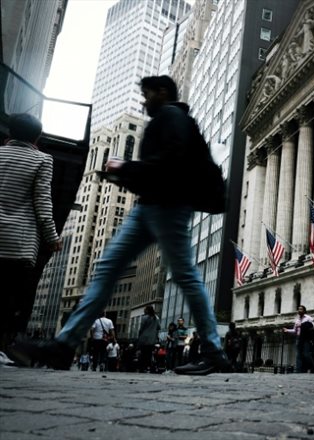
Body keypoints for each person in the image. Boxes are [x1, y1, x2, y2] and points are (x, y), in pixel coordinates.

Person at [10, 75, 230, 376]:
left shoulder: (173, 116)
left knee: (185, 276)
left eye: (148, 93)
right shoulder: (169, 119)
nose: (144, 100)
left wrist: (126, 168)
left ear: (163, 92)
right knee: (108, 268)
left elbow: (172, 163)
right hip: (149, 206)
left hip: (168, 206)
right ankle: (64, 346)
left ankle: (213, 351)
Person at [0, 113, 62, 353]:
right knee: (10, 297)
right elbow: (43, 203)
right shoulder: (42, 160)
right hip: (18, 242)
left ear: (9, 134)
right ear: (37, 137)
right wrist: (52, 237)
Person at [283, 305, 314, 373]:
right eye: (298, 309)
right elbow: (294, 330)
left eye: (301, 309)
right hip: (298, 338)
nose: (299, 310)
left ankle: (313, 367)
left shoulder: (308, 318)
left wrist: (302, 325)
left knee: (306, 354)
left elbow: (313, 326)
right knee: (298, 355)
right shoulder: (297, 320)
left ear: (304, 311)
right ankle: (299, 370)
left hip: (305, 338)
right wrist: (287, 330)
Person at [137, 305, 160, 372]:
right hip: (152, 339)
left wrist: (139, 336)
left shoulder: (144, 318)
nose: (144, 311)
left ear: (147, 310)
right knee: (149, 354)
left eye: (145, 309)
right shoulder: (156, 318)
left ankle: (142, 367)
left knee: (143, 353)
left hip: (144, 338)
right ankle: (148, 367)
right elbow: (159, 327)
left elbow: (141, 328)